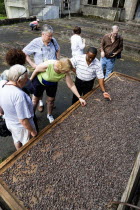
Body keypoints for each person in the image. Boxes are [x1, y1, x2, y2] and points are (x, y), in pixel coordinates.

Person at [30, 58, 86, 123]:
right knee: (35, 100)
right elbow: (36, 70)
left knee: (51, 100)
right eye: (66, 71)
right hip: (40, 81)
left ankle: (49, 115)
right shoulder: (49, 65)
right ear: (61, 68)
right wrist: (30, 80)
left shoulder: (65, 71)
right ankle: (32, 116)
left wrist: (79, 97)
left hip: (52, 83)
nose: (67, 72)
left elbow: (71, 85)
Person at [23, 24, 60, 112]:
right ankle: (40, 103)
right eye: (49, 36)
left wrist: (57, 58)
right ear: (42, 34)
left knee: (51, 94)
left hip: (52, 73)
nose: (51, 38)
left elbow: (58, 49)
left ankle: (49, 105)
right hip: (40, 73)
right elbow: (24, 53)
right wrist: (32, 64)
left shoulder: (53, 41)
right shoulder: (36, 42)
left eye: (52, 35)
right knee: (37, 94)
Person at [0, 65, 37, 150]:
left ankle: (18, 151)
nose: (28, 80)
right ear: (19, 80)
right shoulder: (19, 95)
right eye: (26, 79)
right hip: (22, 128)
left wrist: (1, 111)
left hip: (10, 122)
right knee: (28, 145)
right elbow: (23, 120)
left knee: (16, 139)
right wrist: (32, 131)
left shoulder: (2, 84)